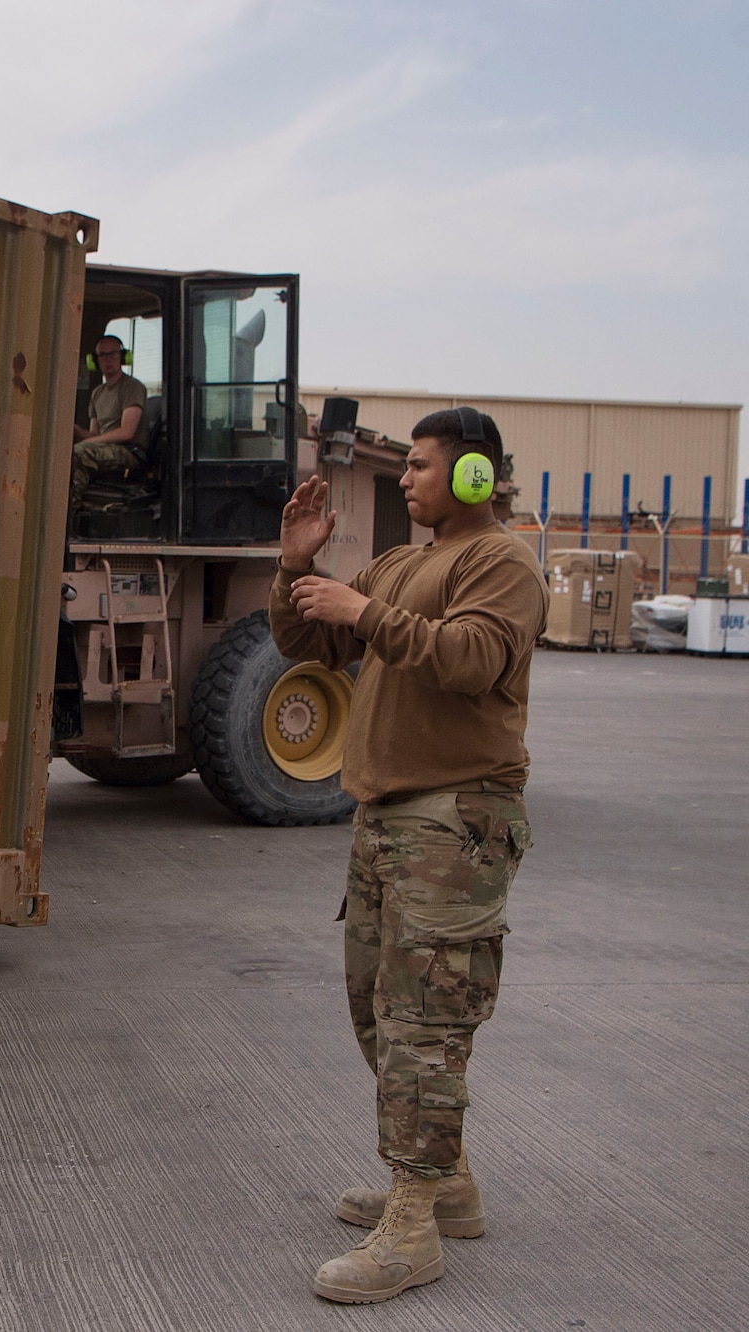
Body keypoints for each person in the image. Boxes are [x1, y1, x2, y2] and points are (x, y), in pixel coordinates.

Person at [269, 407, 548, 1305]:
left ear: (475, 475)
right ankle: (448, 1187)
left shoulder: (501, 563)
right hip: (385, 815)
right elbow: (311, 643)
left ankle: (414, 1227)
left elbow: (471, 659)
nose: (407, 478)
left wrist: (365, 609)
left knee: (425, 1027)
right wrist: (296, 569)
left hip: (454, 816)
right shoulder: (399, 564)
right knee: (379, 1016)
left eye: (422, 466)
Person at [72, 333, 148, 493]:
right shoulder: (97, 393)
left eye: (113, 354)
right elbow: (95, 434)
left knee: (78, 453)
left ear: (123, 357)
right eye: (102, 355)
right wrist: (75, 430)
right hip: (104, 449)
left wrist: (87, 443)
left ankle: (72, 505)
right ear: (95, 361)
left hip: (129, 451)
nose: (108, 360)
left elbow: (127, 432)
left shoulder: (132, 387)